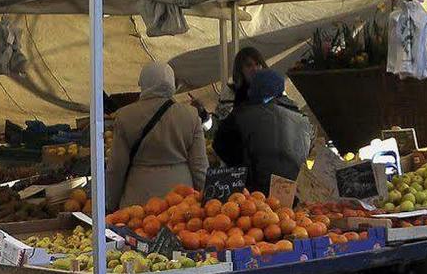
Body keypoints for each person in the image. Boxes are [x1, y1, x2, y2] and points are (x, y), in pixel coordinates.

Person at [104, 60, 209, 209]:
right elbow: (200, 166)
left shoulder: (125, 116)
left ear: (144, 83)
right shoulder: (190, 115)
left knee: (137, 230)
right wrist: (207, 201)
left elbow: (116, 168)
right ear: (172, 84)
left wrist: (110, 204)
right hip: (181, 200)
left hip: (138, 200)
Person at [212, 65, 313, 193]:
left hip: (253, 197)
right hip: (293, 194)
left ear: (252, 90)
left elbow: (220, 146)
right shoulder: (303, 120)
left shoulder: (241, 116)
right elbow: (307, 152)